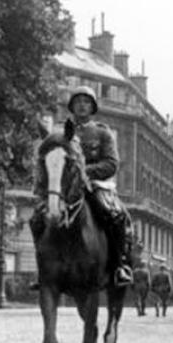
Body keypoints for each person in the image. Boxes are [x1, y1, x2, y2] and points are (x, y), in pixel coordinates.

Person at [31, 86, 135, 288]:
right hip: (64, 186)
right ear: (71, 106)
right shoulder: (59, 132)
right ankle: (42, 270)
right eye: (78, 101)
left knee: (116, 216)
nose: (82, 105)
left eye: (86, 102)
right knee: (37, 218)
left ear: (93, 107)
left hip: (93, 185)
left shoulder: (102, 133)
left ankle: (119, 265)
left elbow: (112, 163)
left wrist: (84, 171)